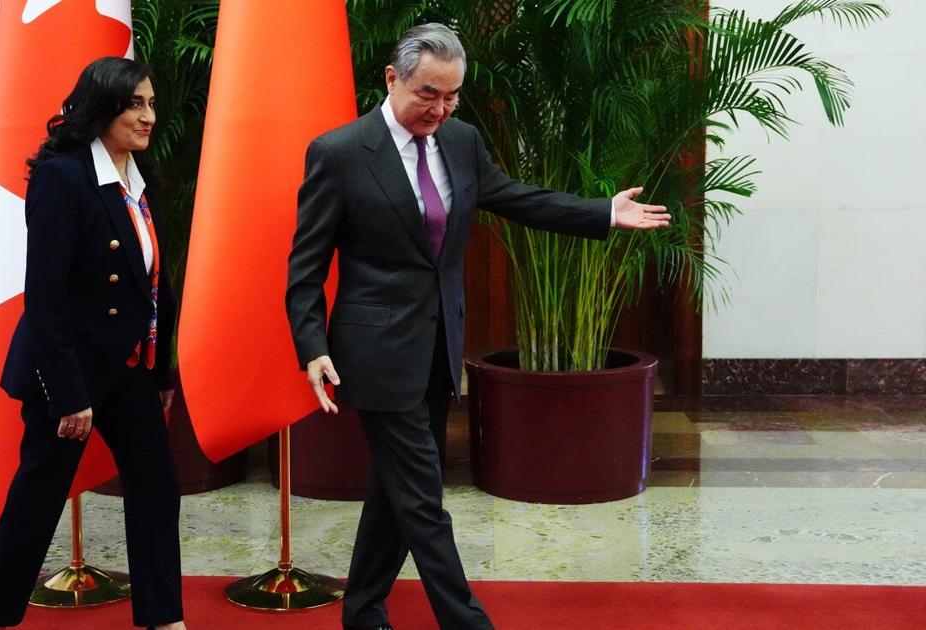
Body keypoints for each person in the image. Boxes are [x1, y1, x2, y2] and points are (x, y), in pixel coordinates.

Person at [285, 23, 670, 630]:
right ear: (392, 78)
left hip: (438, 347)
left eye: (452, 97)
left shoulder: (460, 141)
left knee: (396, 490)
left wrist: (601, 213)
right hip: (376, 352)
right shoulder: (340, 152)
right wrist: (311, 346)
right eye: (427, 94)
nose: (439, 109)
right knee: (423, 499)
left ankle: (361, 612)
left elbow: (515, 197)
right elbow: (305, 267)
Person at [0, 57, 186, 630]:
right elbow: (45, 294)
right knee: (39, 496)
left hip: (129, 370)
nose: (148, 116)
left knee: (157, 487)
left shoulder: (138, 177)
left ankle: (165, 619)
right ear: (102, 107)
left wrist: (158, 374)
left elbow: (154, 285)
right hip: (69, 372)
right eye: (135, 104)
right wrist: (67, 393)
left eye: (152, 103)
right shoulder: (64, 177)